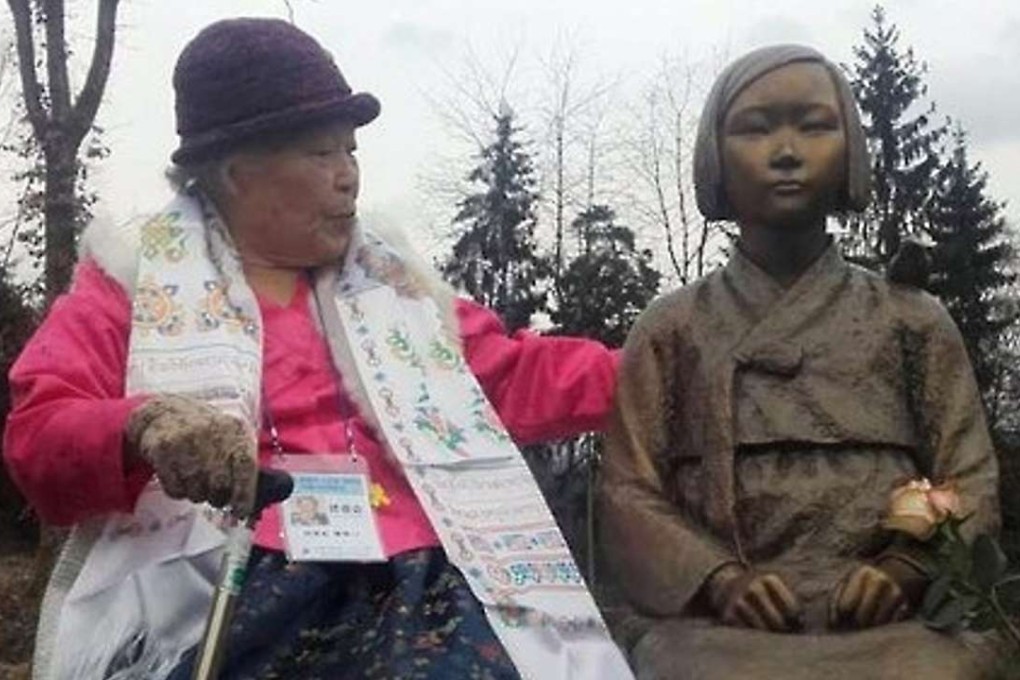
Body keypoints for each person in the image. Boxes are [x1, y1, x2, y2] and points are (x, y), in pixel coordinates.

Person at [3, 18, 633, 680]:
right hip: (233, 582)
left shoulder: (397, 286)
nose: (348, 178)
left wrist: (657, 368)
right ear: (237, 171)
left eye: (351, 151)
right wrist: (143, 426)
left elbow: (513, 375)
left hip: (427, 583)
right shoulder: (133, 280)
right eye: (320, 154)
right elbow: (39, 434)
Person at [599, 44, 1000, 679]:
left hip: (887, 624)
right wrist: (719, 578)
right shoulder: (672, 327)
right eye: (756, 129)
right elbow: (627, 491)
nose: (787, 152)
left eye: (814, 126)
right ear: (716, 156)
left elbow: (971, 475)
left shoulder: (912, 319)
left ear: (850, 150)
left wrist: (908, 567)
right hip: (720, 626)